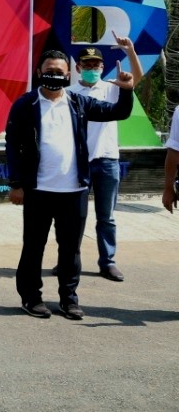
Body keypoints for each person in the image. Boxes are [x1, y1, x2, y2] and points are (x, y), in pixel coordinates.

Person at [5, 50, 134, 320]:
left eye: (60, 72)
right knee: (33, 246)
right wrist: (16, 184)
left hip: (74, 191)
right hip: (38, 191)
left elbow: (119, 112)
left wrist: (126, 89)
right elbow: (12, 147)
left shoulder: (78, 103)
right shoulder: (25, 104)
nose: (54, 75)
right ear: (39, 73)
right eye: (49, 70)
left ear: (68, 75)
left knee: (70, 249)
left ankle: (69, 299)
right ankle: (31, 296)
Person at [74, 35, 142, 282]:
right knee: (73, 217)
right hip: (77, 162)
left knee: (106, 217)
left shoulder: (113, 87)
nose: (92, 69)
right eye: (87, 64)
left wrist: (131, 51)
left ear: (103, 67)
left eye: (96, 65)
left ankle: (108, 262)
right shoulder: (71, 92)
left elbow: (137, 78)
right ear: (78, 66)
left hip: (106, 160)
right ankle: (70, 261)